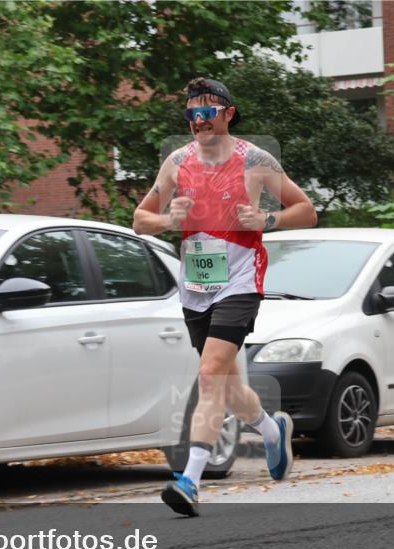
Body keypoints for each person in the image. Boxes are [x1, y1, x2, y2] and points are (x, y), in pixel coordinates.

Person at [132, 77, 317, 517]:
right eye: (191, 114)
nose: (198, 121)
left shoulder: (256, 160)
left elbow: (306, 210)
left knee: (210, 373)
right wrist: (167, 221)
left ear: (228, 114)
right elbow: (140, 219)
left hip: (240, 280)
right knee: (229, 388)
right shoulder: (177, 162)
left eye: (206, 113)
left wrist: (266, 219)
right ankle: (272, 431)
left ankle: (190, 481)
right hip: (196, 286)